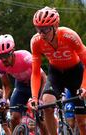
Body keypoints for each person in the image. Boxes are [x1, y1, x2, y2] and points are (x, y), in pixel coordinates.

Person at [30, 6, 86, 135]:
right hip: (55, 73)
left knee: (82, 122)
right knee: (47, 105)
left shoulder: (69, 36)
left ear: (55, 26)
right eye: (38, 29)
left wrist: (83, 86)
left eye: (44, 30)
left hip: (75, 73)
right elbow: (36, 72)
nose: (41, 34)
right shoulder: (36, 42)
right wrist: (34, 97)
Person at [0, 34, 47, 133]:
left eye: (5, 55)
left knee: (40, 118)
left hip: (35, 84)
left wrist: (40, 99)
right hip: (21, 86)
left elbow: (43, 77)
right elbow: (6, 86)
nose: (3, 59)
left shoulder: (25, 57)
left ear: (12, 51)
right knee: (14, 117)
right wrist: (4, 100)